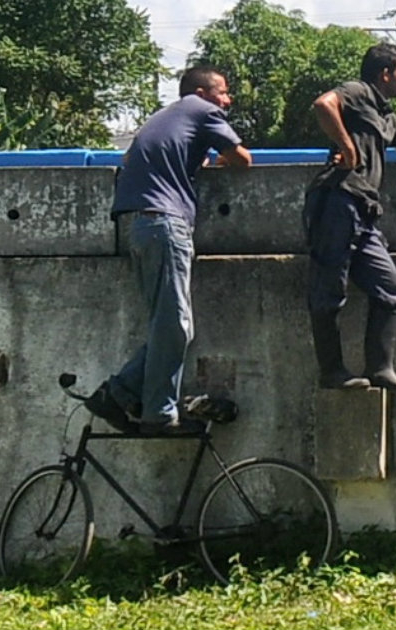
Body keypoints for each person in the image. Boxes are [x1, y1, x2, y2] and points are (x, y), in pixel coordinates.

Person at [84, 66, 253, 434]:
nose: (228, 99)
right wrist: (222, 158)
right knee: (175, 325)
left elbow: (134, 162)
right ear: (202, 92)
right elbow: (243, 159)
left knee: (171, 328)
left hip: (142, 227)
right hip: (166, 225)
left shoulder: (164, 117)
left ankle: (120, 393)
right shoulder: (203, 110)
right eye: (223, 92)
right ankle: (157, 413)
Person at [303, 42, 396, 391]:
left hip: (364, 209)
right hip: (337, 200)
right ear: (384, 73)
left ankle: (380, 370)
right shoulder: (358, 92)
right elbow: (324, 105)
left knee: (391, 288)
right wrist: (346, 147)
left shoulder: (386, 113)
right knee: (329, 293)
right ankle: (332, 373)